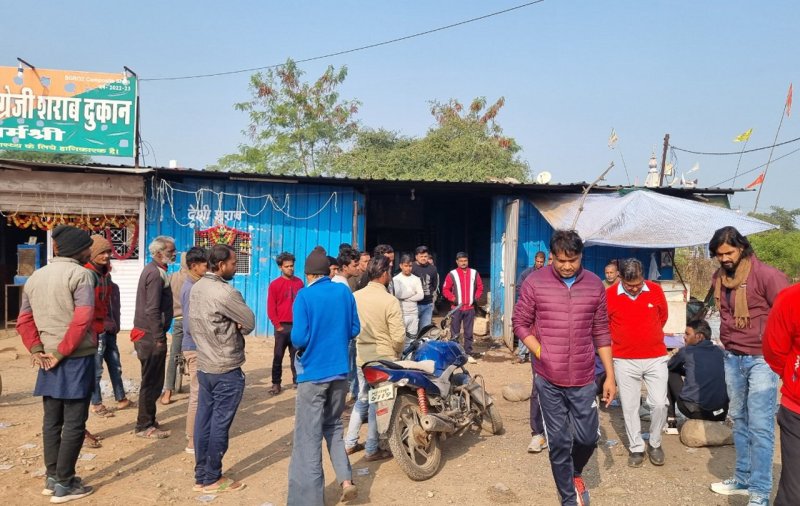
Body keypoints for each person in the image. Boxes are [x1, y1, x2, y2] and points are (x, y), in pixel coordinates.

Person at [512, 229, 616, 506]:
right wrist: (540, 351)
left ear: (581, 256)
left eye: (573, 260)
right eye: (561, 260)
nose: (567, 266)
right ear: (552, 257)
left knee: (587, 438)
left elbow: (601, 331)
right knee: (558, 442)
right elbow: (520, 323)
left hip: (584, 377)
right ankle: (569, 497)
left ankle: (574, 472)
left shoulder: (594, 285)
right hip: (549, 379)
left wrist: (610, 376)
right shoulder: (535, 282)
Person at [707, 227, 788, 506]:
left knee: (761, 426)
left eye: (729, 252)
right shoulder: (719, 277)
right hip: (732, 356)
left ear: (741, 248)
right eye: (719, 255)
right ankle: (742, 478)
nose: (724, 258)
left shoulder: (767, 276)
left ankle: (760, 492)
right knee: (739, 420)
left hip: (762, 360)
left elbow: (789, 314)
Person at [17, 224, 97, 502]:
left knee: (52, 421)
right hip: (74, 358)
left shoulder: (35, 277)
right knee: (74, 422)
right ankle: (65, 483)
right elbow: (82, 319)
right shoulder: (82, 275)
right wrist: (62, 352)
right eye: (88, 248)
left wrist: (37, 349)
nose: (90, 252)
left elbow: (24, 320)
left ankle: (52, 478)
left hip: (47, 359)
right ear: (79, 249)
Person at [288, 247, 359, 505]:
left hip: (313, 374)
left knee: (308, 437)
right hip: (340, 372)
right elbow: (354, 328)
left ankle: (308, 500)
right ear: (327, 272)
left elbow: (298, 338)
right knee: (333, 426)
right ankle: (346, 480)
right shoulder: (343, 292)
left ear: (308, 274)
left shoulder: (304, 296)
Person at [189, 244, 255, 493]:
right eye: (233, 263)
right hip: (225, 366)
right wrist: (236, 325)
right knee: (219, 424)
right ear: (220, 265)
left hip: (205, 365)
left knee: (204, 420)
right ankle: (211, 478)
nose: (235, 267)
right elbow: (249, 321)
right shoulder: (226, 293)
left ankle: (201, 475)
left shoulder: (197, 287)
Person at [607, 258, 669, 468]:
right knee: (630, 405)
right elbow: (605, 324)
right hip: (624, 359)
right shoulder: (609, 295)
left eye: (638, 284)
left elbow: (662, 317)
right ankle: (636, 447)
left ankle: (655, 443)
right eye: (629, 285)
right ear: (620, 278)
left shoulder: (655, 290)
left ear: (643, 277)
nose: (634, 289)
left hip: (656, 357)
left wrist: (647, 336)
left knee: (659, 403)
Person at [346, 256, 405, 461]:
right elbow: (398, 337)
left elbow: (350, 327)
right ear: (384, 274)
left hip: (362, 359)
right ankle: (372, 448)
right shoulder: (390, 300)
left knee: (363, 399)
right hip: (383, 361)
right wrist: (397, 353)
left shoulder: (355, 297)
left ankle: (349, 442)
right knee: (377, 403)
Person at [131, 236, 176, 439]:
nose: (174, 254)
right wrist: (159, 337)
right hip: (150, 336)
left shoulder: (156, 270)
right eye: (170, 251)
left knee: (152, 380)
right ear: (158, 253)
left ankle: (148, 419)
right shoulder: (155, 274)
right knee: (151, 382)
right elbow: (152, 309)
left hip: (149, 334)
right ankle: (144, 425)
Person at [85, 235, 131, 418]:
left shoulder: (105, 275)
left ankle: (121, 398)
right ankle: (96, 404)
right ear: (92, 254)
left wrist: (114, 325)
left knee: (115, 365)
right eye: (102, 252)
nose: (106, 256)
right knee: (96, 369)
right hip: (96, 330)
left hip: (109, 328)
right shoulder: (88, 275)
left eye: (108, 252)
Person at [763, 283, 800, 506]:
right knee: (794, 495)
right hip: (797, 410)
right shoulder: (792, 298)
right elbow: (774, 349)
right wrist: (793, 377)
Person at [666, 319, 728, 433]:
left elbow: (670, 365)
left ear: (699, 337)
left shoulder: (687, 351)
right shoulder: (719, 351)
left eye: (687, 334)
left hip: (695, 412)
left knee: (670, 372)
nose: (684, 337)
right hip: (720, 412)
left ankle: (671, 422)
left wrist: (683, 369)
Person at [179, 247, 208, 454]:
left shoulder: (196, 284)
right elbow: (190, 325)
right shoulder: (191, 288)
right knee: (197, 394)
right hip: (195, 346)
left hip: (197, 346)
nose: (208, 267)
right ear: (193, 266)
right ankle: (192, 440)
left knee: (202, 392)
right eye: (205, 264)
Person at [267, 252, 304, 396]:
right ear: (280, 267)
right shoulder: (275, 285)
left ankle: (297, 381)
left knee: (296, 355)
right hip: (282, 326)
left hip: (296, 326)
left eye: (292, 266)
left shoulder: (299, 283)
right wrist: (278, 326)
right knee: (278, 356)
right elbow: (271, 308)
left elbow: (303, 305)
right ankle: (276, 383)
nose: (290, 268)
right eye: (287, 266)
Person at [442, 251, 483, 361]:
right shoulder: (452, 274)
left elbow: (480, 287)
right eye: (461, 261)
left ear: (468, 261)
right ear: (457, 262)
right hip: (456, 308)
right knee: (455, 333)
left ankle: (468, 352)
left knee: (468, 333)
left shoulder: (474, 273)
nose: (463, 263)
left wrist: (475, 298)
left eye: (465, 260)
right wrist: (453, 299)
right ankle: (455, 354)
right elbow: (445, 290)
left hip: (470, 308)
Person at [161, 253, 190, 405]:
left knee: (174, 354)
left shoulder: (172, 277)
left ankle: (167, 393)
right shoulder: (195, 279)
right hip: (192, 321)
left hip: (177, 320)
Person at [514, 251, 547, 364]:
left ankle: (537, 355)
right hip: (527, 306)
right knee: (524, 328)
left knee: (539, 330)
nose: (539, 264)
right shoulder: (527, 273)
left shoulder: (547, 274)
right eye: (538, 261)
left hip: (541, 306)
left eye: (541, 262)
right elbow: (519, 287)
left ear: (544, 262)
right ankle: (522, 355)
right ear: (534, 260)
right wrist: (529, 298)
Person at [393, 254, 424, 345]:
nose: (408, 268)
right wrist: (413, 292)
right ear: (401, 266)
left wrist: (405, 298)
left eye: (410, 266)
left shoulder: (416, 279)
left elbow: (421, 295)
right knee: (400, 340)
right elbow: (398, 294)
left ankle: (409, 354)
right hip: (401, 313)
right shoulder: (396, 279)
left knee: (411, 340)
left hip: (414, 313)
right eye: (406, 266)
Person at [412, 246, 439, 329]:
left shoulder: (433, 268)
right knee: (413, 330)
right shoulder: (411, 267)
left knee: (425, 330)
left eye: (425, 256)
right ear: (416, 257)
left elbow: (434, 285)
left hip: (428, 304)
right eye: (421, 256)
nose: (423, 258)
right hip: (414, 304)